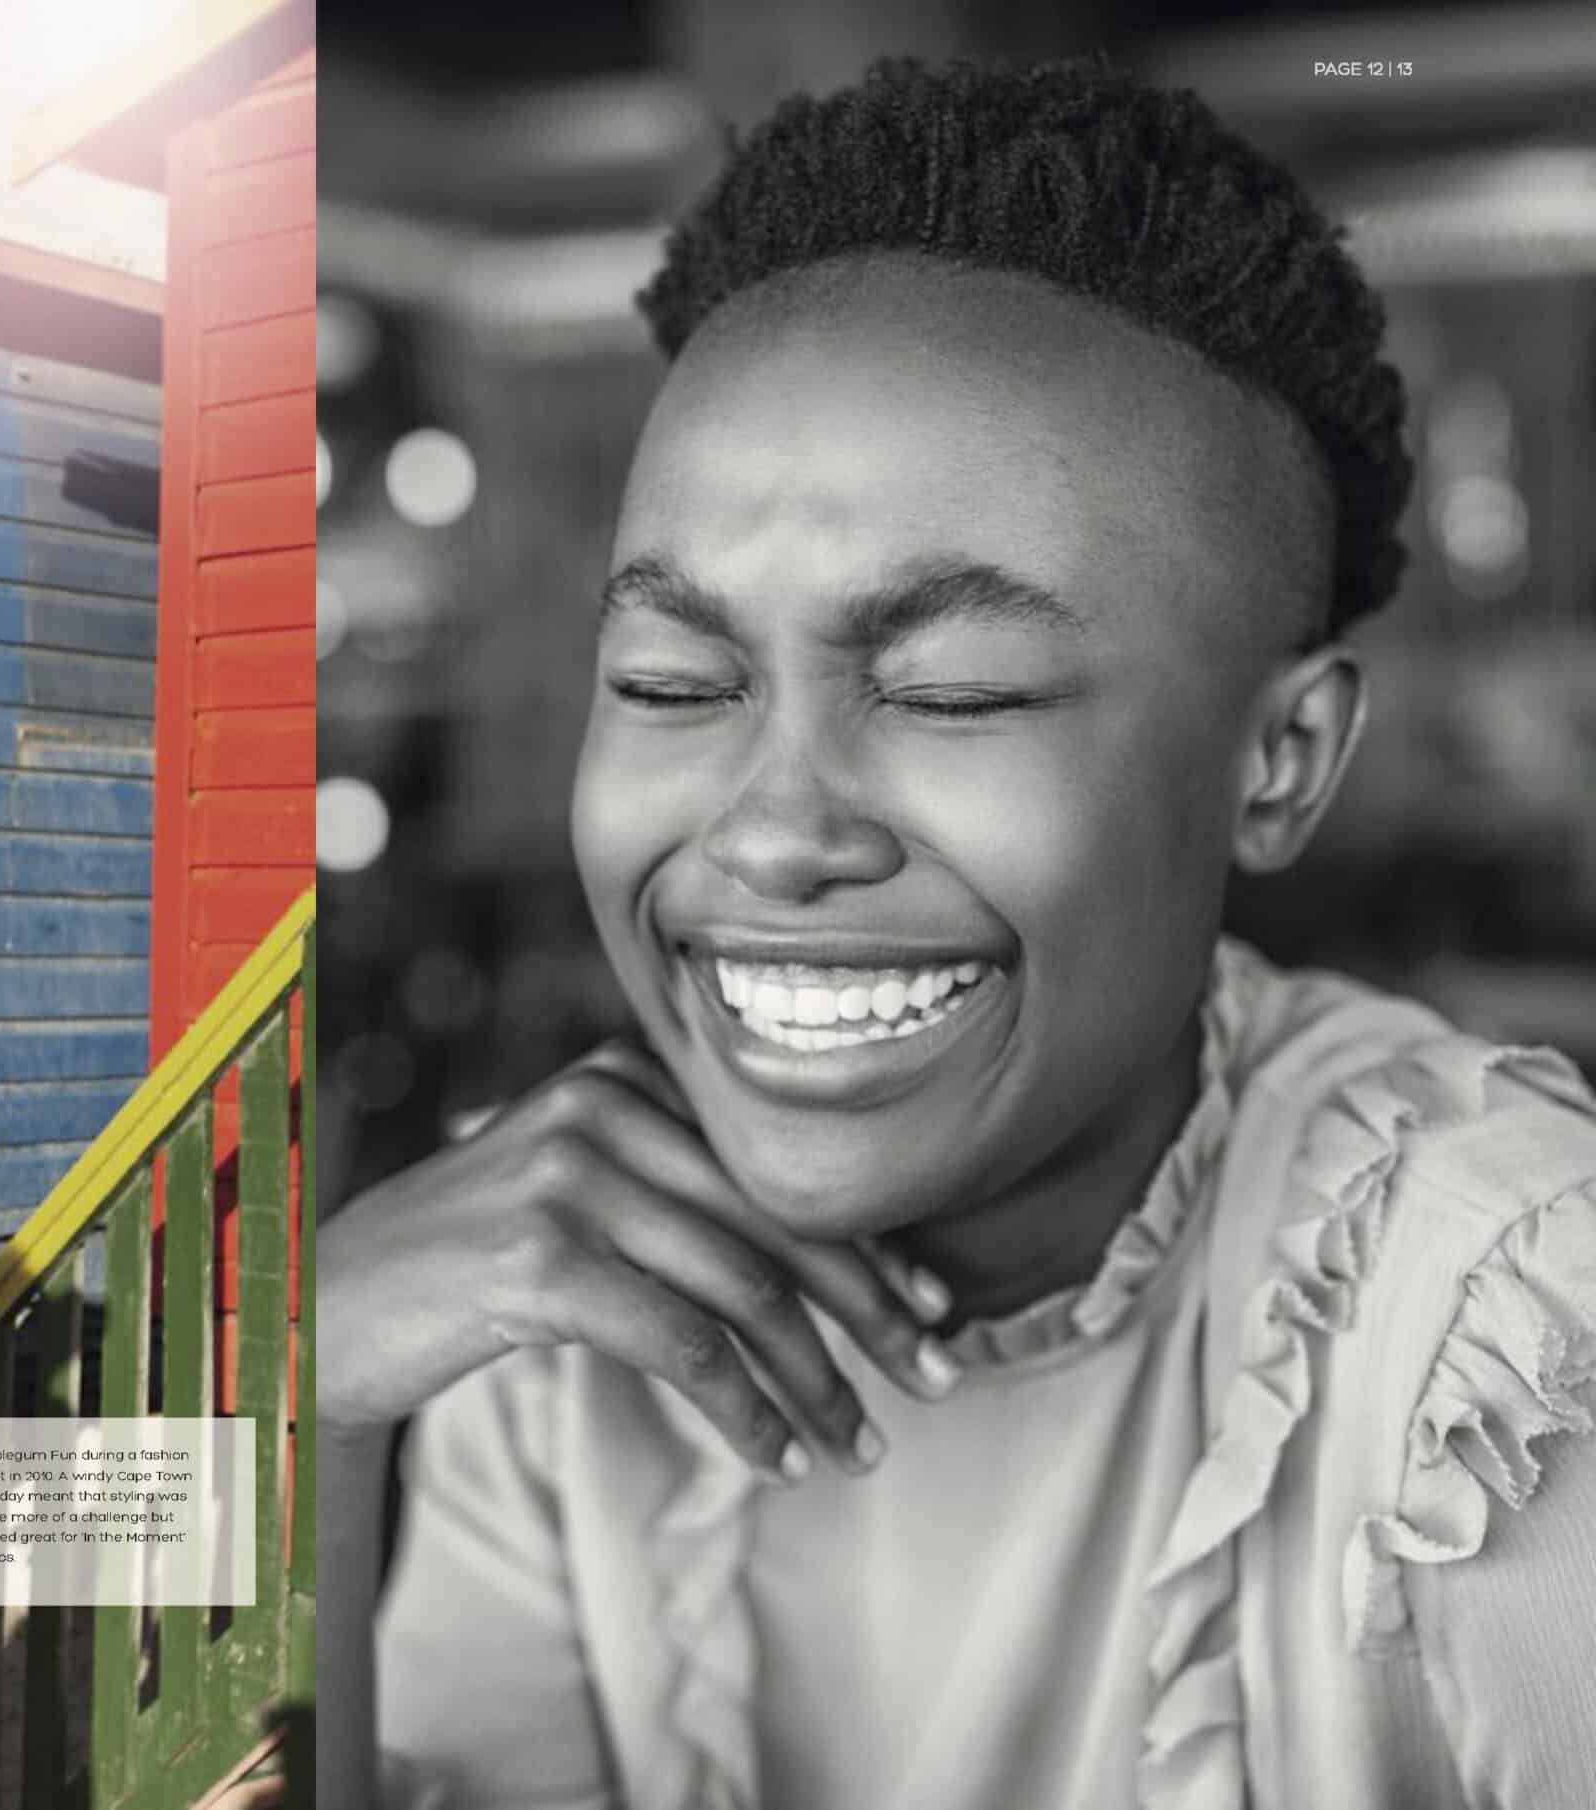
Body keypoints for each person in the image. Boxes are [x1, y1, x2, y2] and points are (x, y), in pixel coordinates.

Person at [317, 54, 1596, 1810]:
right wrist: (298, 1394)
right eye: (672, 680)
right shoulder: (560, 1317)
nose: (769, 832)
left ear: (1278, 760)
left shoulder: (1499, 1332)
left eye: (955, 691)